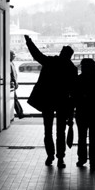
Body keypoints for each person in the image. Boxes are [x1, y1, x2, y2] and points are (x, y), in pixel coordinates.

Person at [24, 35, 77, 168]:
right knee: (61, 132)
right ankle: (60, 158)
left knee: (48, 131)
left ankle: (50, 156)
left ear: (61, 53)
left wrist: (29, 42)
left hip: (47, 101)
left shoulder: (50, 61)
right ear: (70, 56)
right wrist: (72, 112)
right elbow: (73, 91)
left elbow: (37, 55)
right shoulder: (72, 68)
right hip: (63, 103)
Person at [10, 50, 24, 119]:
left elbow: (14, 75)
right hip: (12, 85)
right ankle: (20, 114)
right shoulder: (10, 64)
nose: (14, 57)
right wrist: (15, 83)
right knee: (15, 99)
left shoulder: (11, 63)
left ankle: (20, 113)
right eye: (13, 56)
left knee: (15, 99)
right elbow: (12, 75)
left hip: (13, 84)